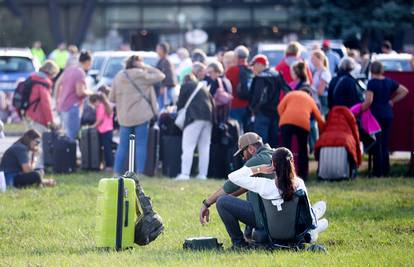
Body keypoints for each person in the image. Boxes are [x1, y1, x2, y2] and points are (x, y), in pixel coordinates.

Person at [216, 147, 328, 249]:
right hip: (296, 235)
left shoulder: (265, 186)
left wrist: (259, 169)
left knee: (222, 201)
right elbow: (307, 216)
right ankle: (317, 217)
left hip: (273, 235)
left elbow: (233, 177)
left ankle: (317, 214)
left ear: (273, 165)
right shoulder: (299, 184)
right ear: (292, 162)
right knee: (313, 215)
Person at [199, 133, 274, 244]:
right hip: (277, 215)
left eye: (242, 153)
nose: (243, 157)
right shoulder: (273, 155)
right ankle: (247, 236)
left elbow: (231, 184)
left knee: (222, 202)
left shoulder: (258, 160)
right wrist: (230, 198)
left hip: (265, 217)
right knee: (226, 200)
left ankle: (239, 244)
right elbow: (244, 186)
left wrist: (207, 203)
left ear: (251, 149)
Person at [110, 55, 164, 175]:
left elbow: (111, 97)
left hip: (124, 117)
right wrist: (145, 66)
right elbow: (161, 75)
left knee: (123, 145)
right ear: (138, 63)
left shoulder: (119, 76)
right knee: (140, 144)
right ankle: (139, 172)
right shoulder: (141, 75)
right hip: (141, 115)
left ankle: (116, 172)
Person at [366, 61, 408, 177]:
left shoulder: (371, 83)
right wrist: (392, 101)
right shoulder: (389, 82)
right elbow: (404, 91)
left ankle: (377, 172)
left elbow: (369, 100)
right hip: (388, 114)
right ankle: (386, 170)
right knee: (385, 144)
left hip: (376, 116)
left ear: (371, 70)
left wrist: (361, 109)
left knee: (376, 143)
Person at [278, 86, 325, 180]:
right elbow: (318, 116)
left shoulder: (290, 94)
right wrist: (323, 129)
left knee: (285, 150)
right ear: (310, 94)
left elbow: (279, 108)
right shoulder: (310, 99)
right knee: (303, 150)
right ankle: (303, 175)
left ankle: (283, 174)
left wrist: (284, 117)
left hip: (286, 122)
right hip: (303, 124)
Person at [175, 74, 214, 180]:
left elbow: (180, 104)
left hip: (193, 117)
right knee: (205, 148)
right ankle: (202, 175)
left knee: (188, 147)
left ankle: (185, 174)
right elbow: (212, 102)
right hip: (208, 118)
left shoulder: (186, 86)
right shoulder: (204, 87)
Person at [25, 60, 60, 169]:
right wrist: (50, 121)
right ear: (51, 72)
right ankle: (38, 168)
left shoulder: (33, 78)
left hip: (29, 115)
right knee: (38, 144)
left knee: (29, 142)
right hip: (38, 117)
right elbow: (46, 104)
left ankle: (28, 165)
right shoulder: (43, 82)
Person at [249, 54, 288, 148]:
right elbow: (287, 90)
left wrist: (253, 109)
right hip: (276, 112)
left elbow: (256, 97)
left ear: (260, 64)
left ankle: (264, 162)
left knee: (261, 143)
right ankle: (274, 162)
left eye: (254, 65)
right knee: (273, 141)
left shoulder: (260, 77)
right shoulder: (277, 75)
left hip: (262, 112)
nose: (253, 68)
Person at [56, 51, 93, 140]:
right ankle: (71, 154)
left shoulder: (69, 69)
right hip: (73, 107)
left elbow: (58, 84)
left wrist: (57, 100)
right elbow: (79, 92)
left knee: (66, 135)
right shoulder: (80, 73)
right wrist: (90, 92)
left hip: (63, 106)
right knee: (72, 137)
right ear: (87, 61)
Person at [225, 45, 251, 132]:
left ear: (236, 56)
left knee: (236, 131)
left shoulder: (231, 70)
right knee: (249, 133)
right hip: (249, 105)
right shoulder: (251, 70)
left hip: (234, 105)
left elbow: (226, 87)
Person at [89, 93, 114, 172]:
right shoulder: (107, 105)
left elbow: (100, 119)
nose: (94, 106)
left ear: (96, 101)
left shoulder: (100, 107)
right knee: (108, 149)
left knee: (106, 149)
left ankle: (109, 166)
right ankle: (108, 165)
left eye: (93, 103)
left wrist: (93, 126)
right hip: (109, 130)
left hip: (103, 130)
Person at [155, 42, 177, 109]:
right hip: (165, 88)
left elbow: (167, 75)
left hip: (165, 89)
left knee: (165, 109)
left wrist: (163, 86)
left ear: (162, 50)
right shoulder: (162, 60)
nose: (156, 50)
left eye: (158, 49)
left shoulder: (165, 61)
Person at [310, 50, 331, 116]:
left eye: (313, 59)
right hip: (316, 100)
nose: (311, 61)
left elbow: (320, 91)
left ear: (320, 59)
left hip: (321, 102)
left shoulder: (324, 72)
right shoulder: (317, 71)